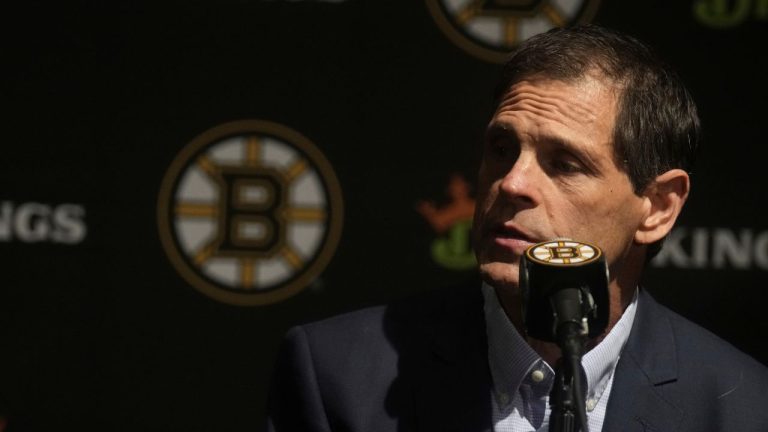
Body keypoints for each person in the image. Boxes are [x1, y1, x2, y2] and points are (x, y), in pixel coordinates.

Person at [266, 25, 768, 432]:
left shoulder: (744, 408)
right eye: (502, 150)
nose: (513, 183)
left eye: (565, 163)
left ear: (658, 207)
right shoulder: (335, 376)